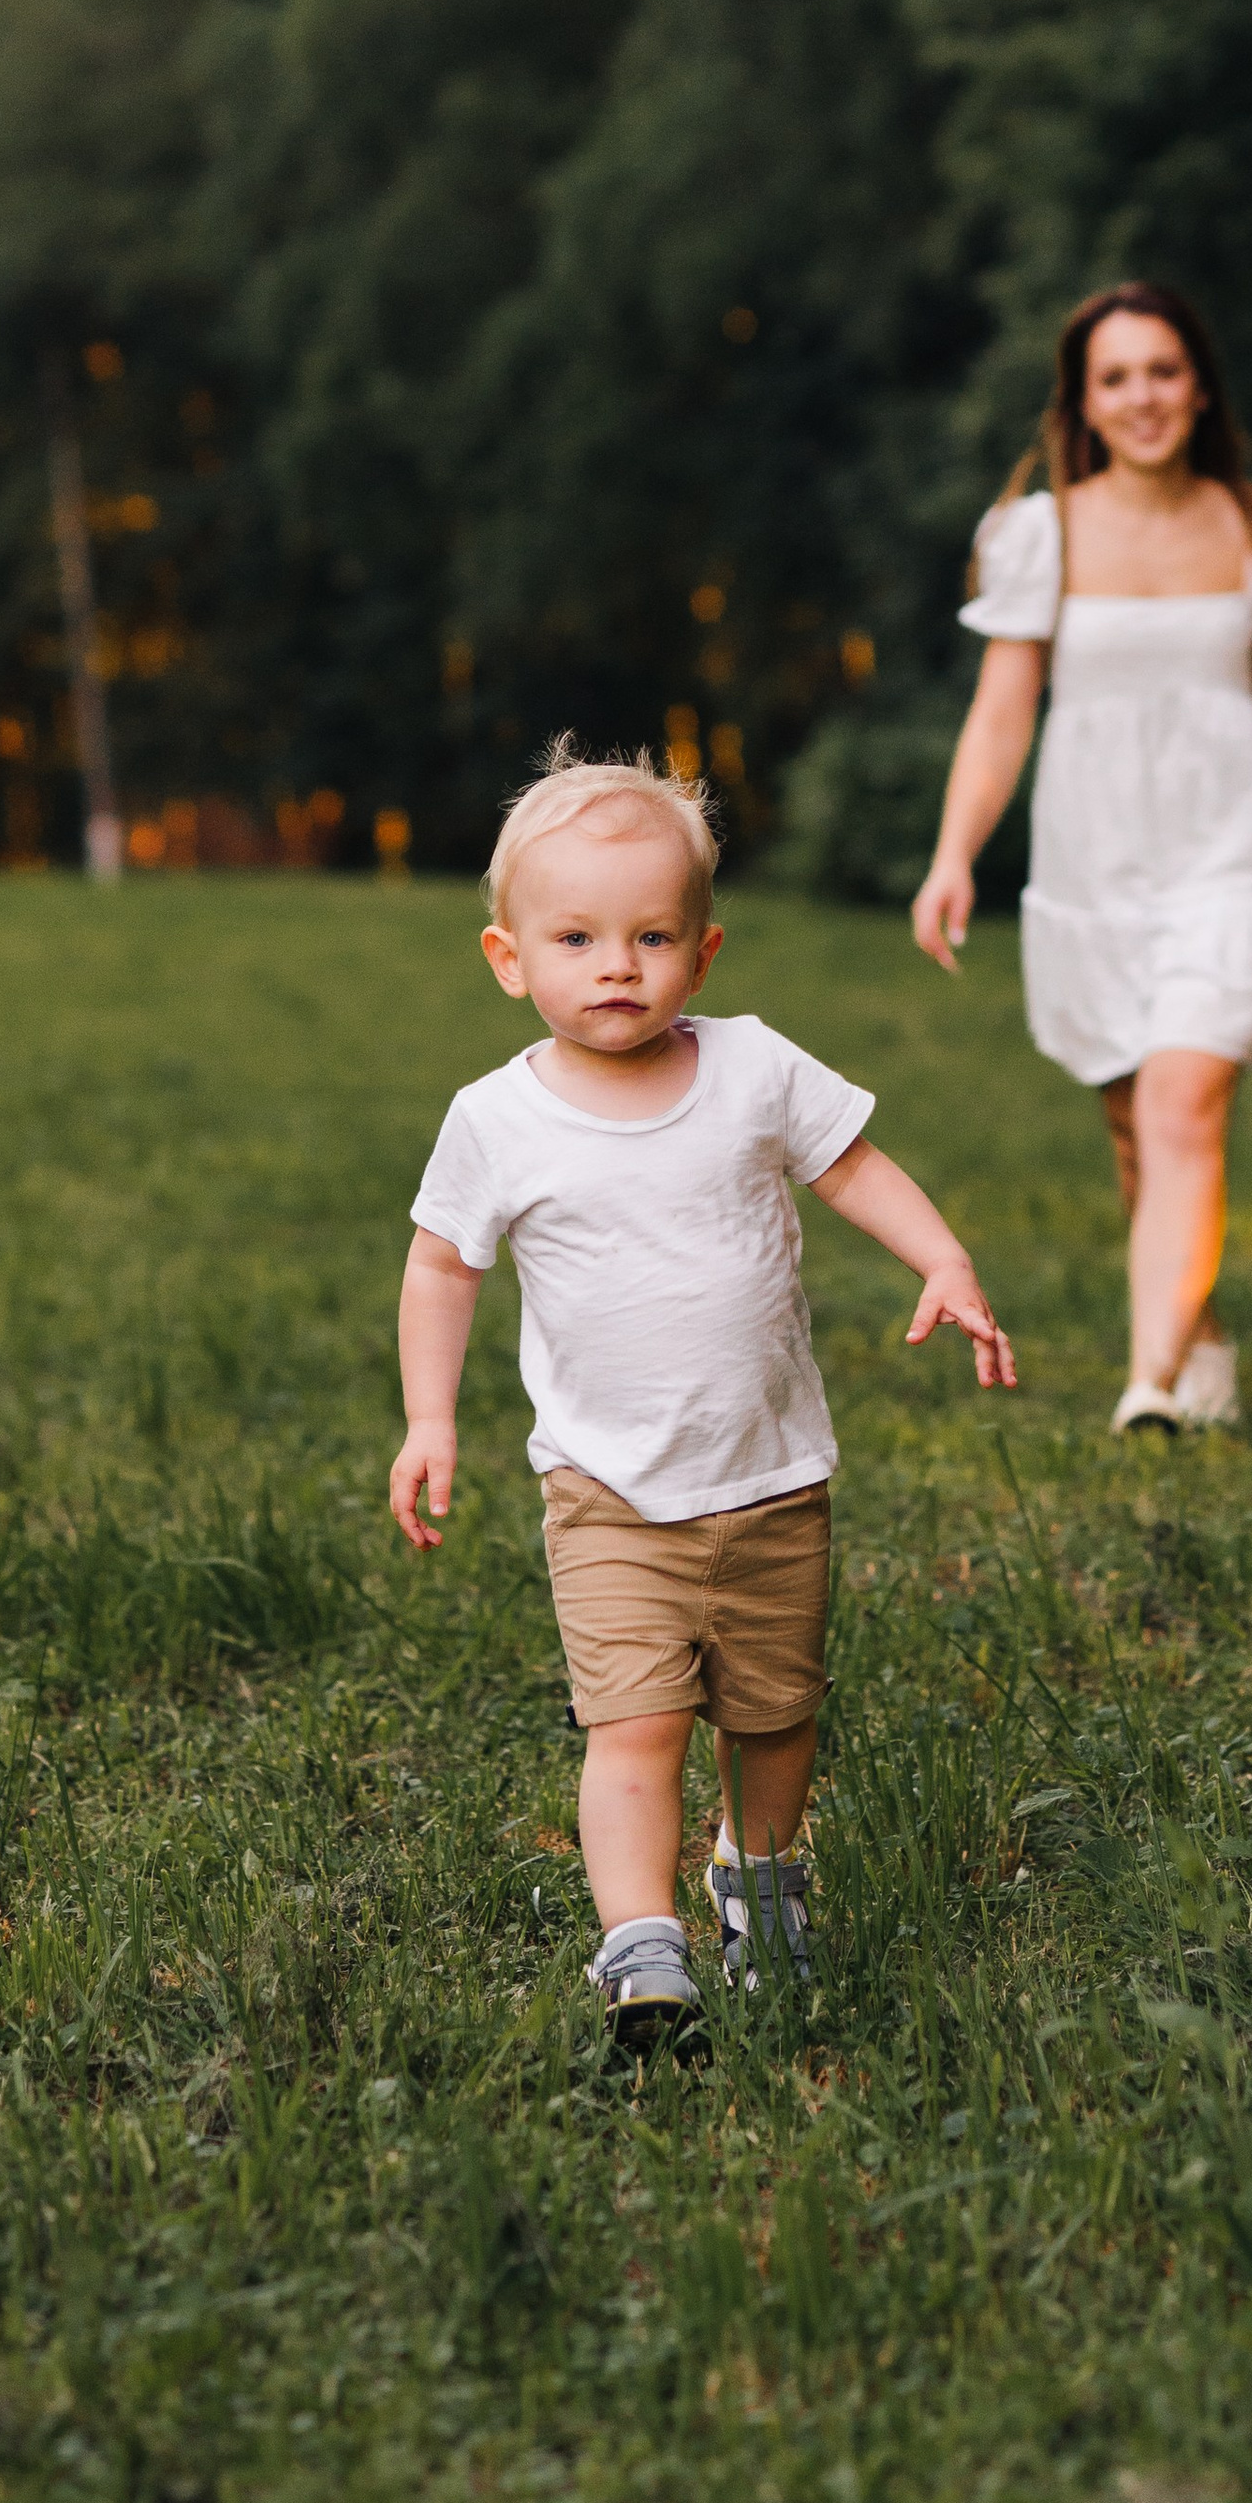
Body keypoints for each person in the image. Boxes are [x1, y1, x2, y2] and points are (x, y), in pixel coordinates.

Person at [391, 744, 1015, 2041]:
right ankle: (642, 1941)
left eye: (651, 935)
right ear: (509, 957)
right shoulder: (498, 1118)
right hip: (608, 1487)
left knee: (775, 1718)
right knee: (637, 1724)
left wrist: (943, 1256)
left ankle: (760, 1880)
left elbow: (852, 1165)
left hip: (772, 1475)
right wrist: (431, 1417)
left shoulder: (753, 1069)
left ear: (704, 951)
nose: (616, 965)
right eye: (576, 937)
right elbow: (443, 1266)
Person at [911, 281, 1252, 1435]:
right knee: (1135, 1126)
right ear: (1083, 402)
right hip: (1098, 863)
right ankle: (1199, 1341)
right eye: (1116, 377)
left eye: (1163, 370)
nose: (1142, 396)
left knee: (1179, 1099)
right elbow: (1001, 715)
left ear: (1198, 388)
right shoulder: (1038, 534)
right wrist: (954, 855)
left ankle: (1149, 1382)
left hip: (1234, 857)